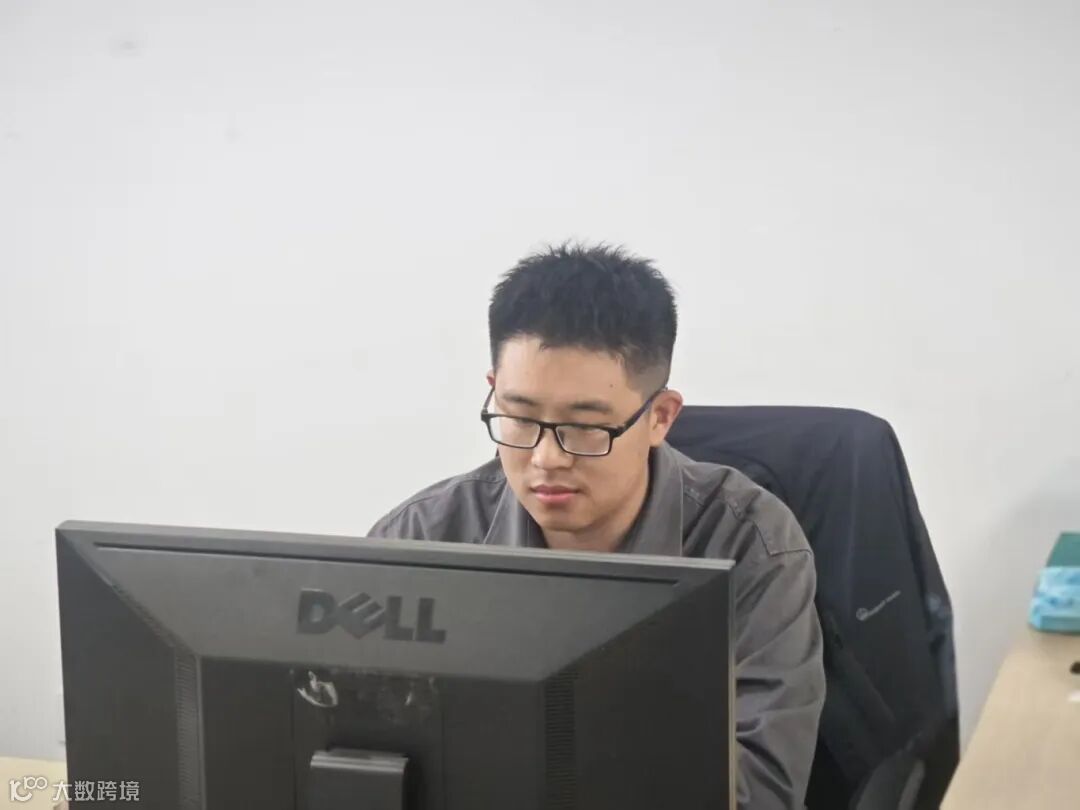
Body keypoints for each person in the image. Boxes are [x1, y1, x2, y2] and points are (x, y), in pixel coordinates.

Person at [368, 243, 826, 809]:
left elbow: (762, 791)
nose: (546, 459)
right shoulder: (420, 540)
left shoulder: (751, 545)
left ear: (659, 417)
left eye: (585, 427)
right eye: (519, 417)